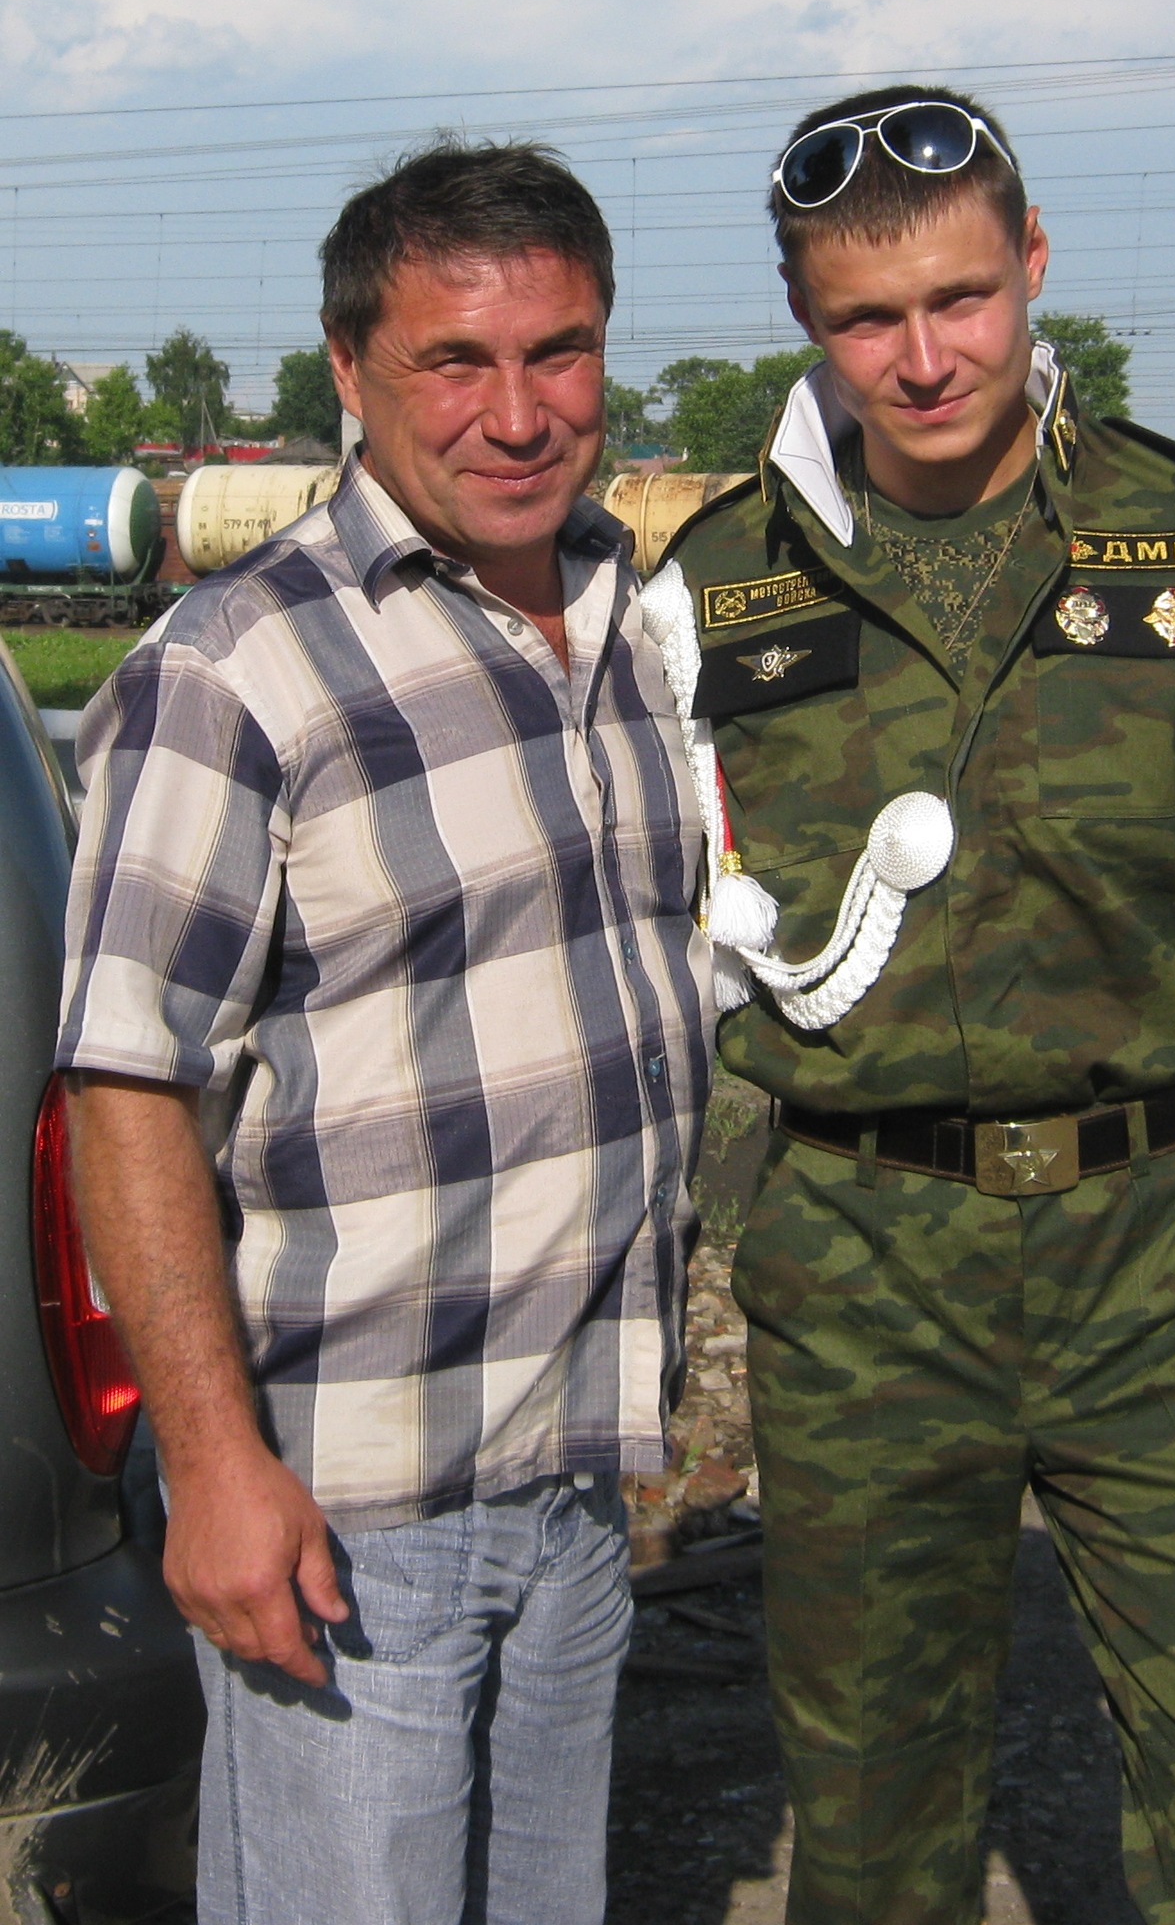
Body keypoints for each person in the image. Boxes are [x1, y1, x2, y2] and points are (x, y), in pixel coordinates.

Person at [654, 86, 1175, 1925]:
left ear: (1032, 264)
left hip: (1155, 1266)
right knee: (876, 1854)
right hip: (862, 1278)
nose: (924, 357)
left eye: (963, 298)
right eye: (869, 317)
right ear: (805, 315)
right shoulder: (712, 591)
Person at [56, 140, 712, 1925]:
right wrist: (214, 1467)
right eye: (454, 360)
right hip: (351, 1515)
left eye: (559, 352)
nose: (518, 413)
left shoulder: (622, 628)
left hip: (578, 1484)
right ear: (350, 369)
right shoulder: (236, 671)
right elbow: (127, 1088)